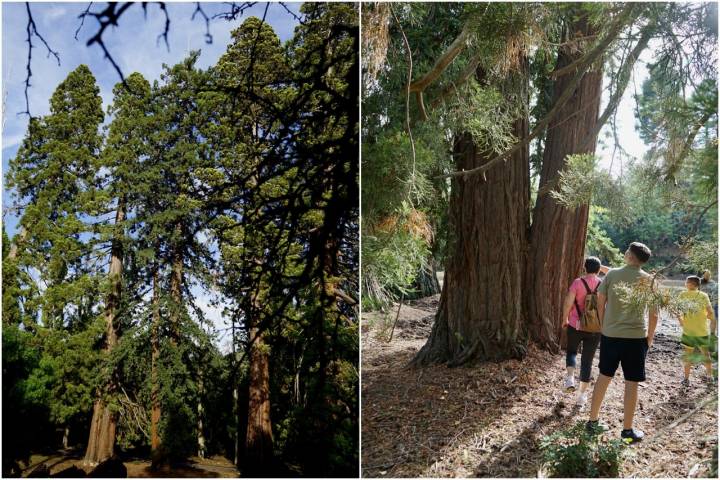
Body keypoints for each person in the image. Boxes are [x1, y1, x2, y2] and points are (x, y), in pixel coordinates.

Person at [586, 242, 658, 444]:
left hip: (611, 335)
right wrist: (649, 338)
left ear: (630, 256)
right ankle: (627, 431)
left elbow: (600, 301)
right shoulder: (649, 280)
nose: (625, 253)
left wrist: (603, 325)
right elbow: (654, 314)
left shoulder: (612, 275)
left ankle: (592, 422)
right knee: (631, 383)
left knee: (604, 376)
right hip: (636, 338)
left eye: (627, 251)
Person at [561, 256, 603, 408]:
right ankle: (581, 397)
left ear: (584, 268)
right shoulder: (602, 284)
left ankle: (570, 378)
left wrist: (564, 318)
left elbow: (568, 302)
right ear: (599, 270)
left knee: (572, 351)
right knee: (587, 361)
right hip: (595, 328)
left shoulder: (578, 282)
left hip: (575, 324)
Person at [678, 275, 716, 386]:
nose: (685, 283)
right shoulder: (704, 295)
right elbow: (710, 312)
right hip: (702, 331)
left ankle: (686, 379)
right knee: (706, 355)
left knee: (688, 356)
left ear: (690, 283)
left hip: (688, 331)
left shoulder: (682, 295)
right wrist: (708, 317)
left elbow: (677, 311)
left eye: (686, 282)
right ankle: (710, 377)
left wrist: (681, 321)